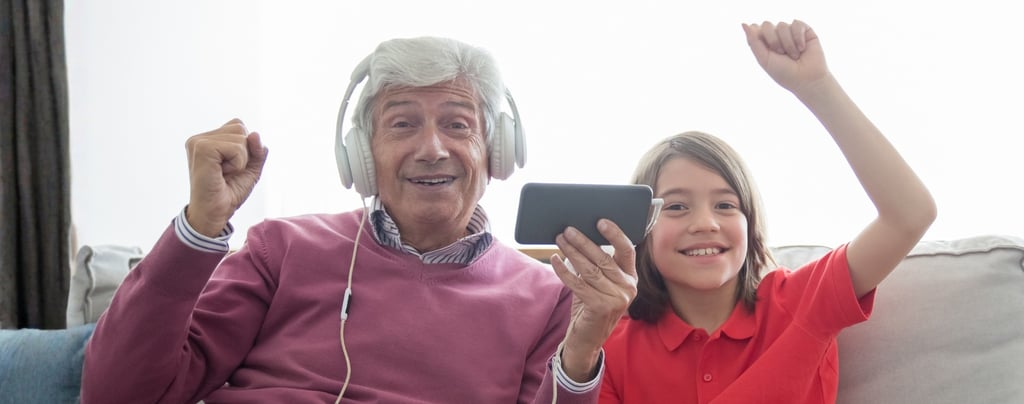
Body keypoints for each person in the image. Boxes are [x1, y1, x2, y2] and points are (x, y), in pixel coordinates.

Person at [81, 36, 637, 403]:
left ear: (497, 151)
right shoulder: (281, 248)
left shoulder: (548, 295)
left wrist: (582, 351)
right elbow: (116, 393)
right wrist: (198, 232)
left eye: (458, 124)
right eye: (401, 125)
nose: (432, 148)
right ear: (362, 155)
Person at [599, 20, 937, 403]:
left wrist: (816, 87)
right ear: (641, 230)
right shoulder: (611, 344)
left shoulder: (798, 301)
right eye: (677, 206)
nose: (706, 223)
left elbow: (910, 214)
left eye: (726, 205)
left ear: (750, 225)